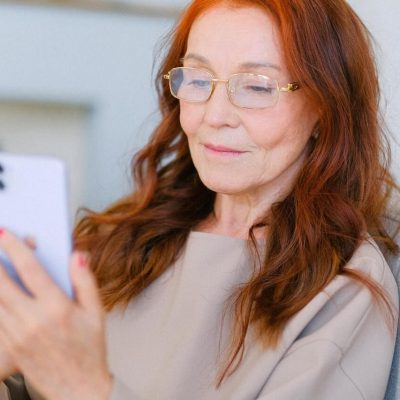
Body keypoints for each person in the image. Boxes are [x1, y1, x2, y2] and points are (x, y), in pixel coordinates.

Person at [0, 0, 399, 399]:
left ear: (325, 107)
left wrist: (84, 388)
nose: (214, 115)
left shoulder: (345, 289)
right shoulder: (125, 236)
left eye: (257, 85)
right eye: (197, 79)